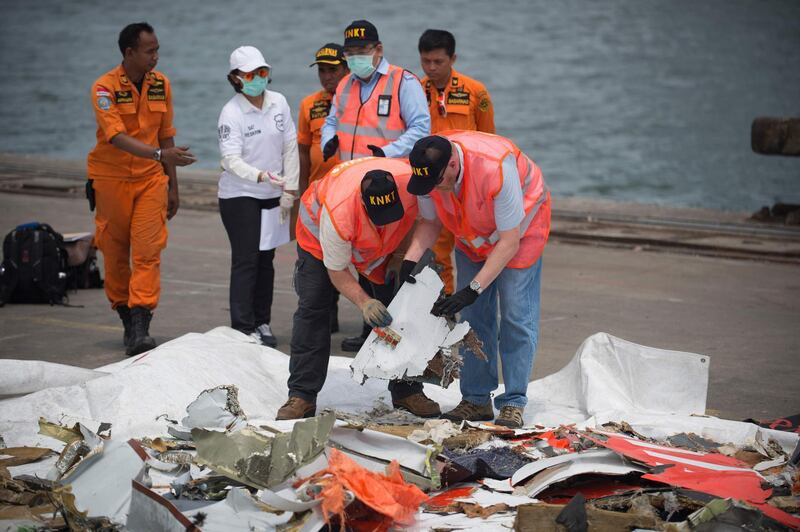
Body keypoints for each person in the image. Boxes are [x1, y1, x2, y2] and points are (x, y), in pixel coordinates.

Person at [403, 132, 551, 428]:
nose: (432, 189)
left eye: (437, 182)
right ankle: (476, 399)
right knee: (472, 317)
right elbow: (430, 223)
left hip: (520, 231)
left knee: (515, 315)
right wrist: (409, 263)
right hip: (473, 235)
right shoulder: (429, 170)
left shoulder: (495, 169)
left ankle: (513, 402)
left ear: (453, 165)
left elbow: (508, 242)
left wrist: (473, 288)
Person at [276, 157, 440, 420]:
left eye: (391, 215)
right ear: (364, 204)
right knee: (314, 308)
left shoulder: (411, 184)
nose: (385, 221)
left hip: (383, 246)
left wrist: (401, 257)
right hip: (318, 238)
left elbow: (423, 221)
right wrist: (365, 302)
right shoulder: (339, 213)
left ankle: (407, 391)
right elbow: (337, 271)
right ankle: (302, 396)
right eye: (379, 217)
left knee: (403, 307)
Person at [321, 19, 431, 352]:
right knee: (363, 254)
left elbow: (420, 128)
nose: (356, 58)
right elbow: (331, 120)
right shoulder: (346, 85)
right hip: (353, 186)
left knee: (391, 257)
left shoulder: (403, 82)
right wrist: (329, 140)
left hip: (389, 182)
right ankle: (372, 327)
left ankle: (400, 332)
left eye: (362, 51)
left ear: (378, 50)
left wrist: (388, 151)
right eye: (350, 53)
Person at [88, 22, 196, 356]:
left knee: (148, 251)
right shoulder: (104, 89)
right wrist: (161, 155)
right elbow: (116, 137)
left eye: (157, 49)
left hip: (151, 179)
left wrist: (172, 186)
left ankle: (141, 325)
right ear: (129, 52)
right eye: (150, 51)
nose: (156, 57)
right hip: (110, 180)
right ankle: (125, 315)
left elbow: (166, 135)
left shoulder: (161, 85)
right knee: (116, 252)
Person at [216, 45, 299, 347]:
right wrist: (260, 175)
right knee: (246, 259)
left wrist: (290, 189)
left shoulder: (278, 102)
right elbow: (230, 160)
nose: (258, 78)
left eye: (262, 72)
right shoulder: (232, 113)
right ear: (236, 78)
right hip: (240, 194)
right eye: (250, 74)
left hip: (273, 194)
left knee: (267, 260)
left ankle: (261, 322)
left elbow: (290, 147)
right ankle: (242, 327)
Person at [418, 29, 495, 295]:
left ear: (453, 58)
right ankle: (443, 306)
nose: (431, 67)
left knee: (472, 247)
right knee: (436, 249)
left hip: (467, 184)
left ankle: (474, 301)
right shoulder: (415, 90)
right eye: (426, 61)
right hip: (434, 183)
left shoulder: (476, 92)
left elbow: (489, 141)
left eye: (438, 61)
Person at [296, 43, 350, 334]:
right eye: (322, 70)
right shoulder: (309, 105)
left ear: (346, 69)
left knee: (361, 256)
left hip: (350, 194)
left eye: (333, 70)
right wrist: (301, 193)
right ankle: (328, 311)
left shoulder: (358, 101)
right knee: (319, 254)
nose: (327, 76)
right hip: (318, 195)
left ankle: (370, 324)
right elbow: (303, 152)